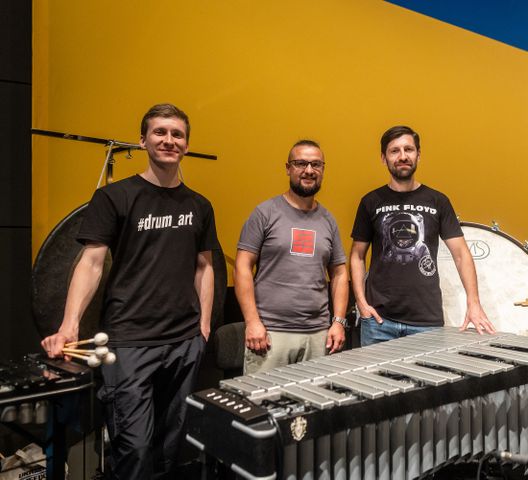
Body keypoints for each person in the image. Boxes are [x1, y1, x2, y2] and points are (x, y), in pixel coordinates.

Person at [41, 104, 218, 479]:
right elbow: (89, 264)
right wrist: (69, 325)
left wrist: (202, 327)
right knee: (133, 448)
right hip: (130, 341)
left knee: (174, 449)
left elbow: (204, 267)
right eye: (160, 132)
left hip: (184, 340)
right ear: (143, 140)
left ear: (186, 144)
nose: (169, 140)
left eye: (177, 134)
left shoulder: (199, 205)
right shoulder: (115, 197)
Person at [350, 125, 495, 346]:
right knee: (376, 381)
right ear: (383, 158)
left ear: (418, 155)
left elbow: (461, 254)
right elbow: (357, 256)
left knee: (427, 382)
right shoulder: (370, 202)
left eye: (408, 149)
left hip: (426, 323)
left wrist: (473, 303)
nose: (402, 156)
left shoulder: (438, 201)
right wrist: (361, 303)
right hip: (378, 322)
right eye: (394, 151)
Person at [235, 139, 348, 374]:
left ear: (323, 170)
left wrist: (338, 322)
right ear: (288, 168)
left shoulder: (328, 220)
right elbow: (242, 266)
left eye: (316, 165)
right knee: (263, 407)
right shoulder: (265, 213)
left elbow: (339, 273)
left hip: (318, 336)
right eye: (301, 163)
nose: (309, 170)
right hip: (270, 334)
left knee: (313, 407)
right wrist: (252, 322)